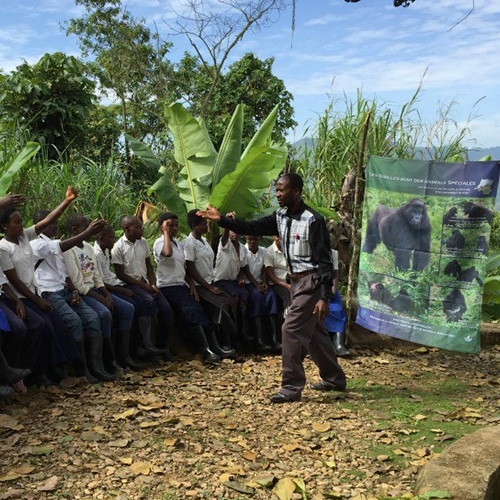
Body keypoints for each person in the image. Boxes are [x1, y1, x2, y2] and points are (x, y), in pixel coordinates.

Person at [198, 172, 346, 403]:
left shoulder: (313, 220)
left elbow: (325, 261)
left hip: (311, 282)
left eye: (281, 190)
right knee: (315, 333)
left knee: (289, 329)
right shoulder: (279, 216)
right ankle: (334, 378)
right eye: (276, 189)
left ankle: (290, 388)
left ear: (296, 191)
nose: (277, 194)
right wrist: (222, 220)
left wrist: (324, 296)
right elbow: (252, 226)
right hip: (295, 282)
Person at [30, 209, 111, 383]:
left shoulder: (55, 242)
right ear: (40, 224)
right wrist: (87, 233)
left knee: (93, 318)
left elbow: (65, 273)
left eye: (55, 223)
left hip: (64, 290)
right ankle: (81, 370)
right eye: (51, 223)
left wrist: (73, 291)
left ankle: (96, 367)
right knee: (74, 322)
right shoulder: (35, 244)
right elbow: (59, 247)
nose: (55, 226)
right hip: (49, 292)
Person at [153, 212, 235, 364]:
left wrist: (191, 285)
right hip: (169, 286)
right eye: (170, 226)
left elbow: (184, 268)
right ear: (162, 227)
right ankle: (206, 351)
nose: (175, 229)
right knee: (190, 312)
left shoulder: (177, 243)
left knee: (200, 312)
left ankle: (215, 348)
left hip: (182, 285)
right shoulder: (160, 243)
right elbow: (167, 253)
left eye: (176, 226)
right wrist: (165, 232)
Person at [63, 214, 136, 375]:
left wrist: (106, 294)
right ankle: (103, 362)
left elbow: (96, 275)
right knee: (103, 314)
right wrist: (101, 299)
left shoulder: (88, 248)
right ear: (75, 230)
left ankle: (122, 356)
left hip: (95, 290)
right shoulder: (68, 250)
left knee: (127, 309)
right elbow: (77, 283)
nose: (91, 230)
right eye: (86, 227)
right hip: (83, 293)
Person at [111, 215, 174, 360]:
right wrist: (144, 286)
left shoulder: (143, 243)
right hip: (131, 284)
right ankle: (146, 344)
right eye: (137, 227)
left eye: (141, 227)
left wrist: (152, 284)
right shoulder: (118, 247)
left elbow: (149, 266)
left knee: (165, 309)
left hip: (145, 282)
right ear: (127, 229)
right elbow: (121, 274)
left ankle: (163, 347)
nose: (141, 230)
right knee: (147, 302)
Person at [184, 209, 238, 354]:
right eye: (203, 224)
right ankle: (223, 345)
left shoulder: (204, 242)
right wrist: (208, 287)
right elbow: (190, 269)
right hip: (200, 285)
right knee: (220, 306)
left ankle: (232, 342)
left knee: (230, 302)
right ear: (194, 226)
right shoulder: (189, 243)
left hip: (210, 282)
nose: (206, 227)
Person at [94, 225, 145, 371]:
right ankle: (123, 356)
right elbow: (100, 281)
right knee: (128, 307)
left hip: (111, 285)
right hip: (103, 289)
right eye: (111, 237)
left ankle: (133, 349)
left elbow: (108, 276)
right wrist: (119, 290)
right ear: (101, 238)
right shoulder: (96, 254)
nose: (113, 240)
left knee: (136, 303)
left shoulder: (104, 251)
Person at [244, 235, 281, 352]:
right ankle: (259, 340)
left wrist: (264, 282)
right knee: (256, 297)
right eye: (249, 239)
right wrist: (256, 285)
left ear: (259, 239)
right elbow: (245, 270)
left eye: (255, 239)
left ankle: (274, 339)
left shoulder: (263, 251)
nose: (252, 241)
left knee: (271, 296)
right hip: (249, 283)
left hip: (261, 282)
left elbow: (265, 268)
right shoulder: (243, 251)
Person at [325, 249, 351, 358]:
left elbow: (335, 273)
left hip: (328, 285)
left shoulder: (333, 253)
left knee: (337, 308)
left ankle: (339, 344)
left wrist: (333, 289)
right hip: (312, 285)